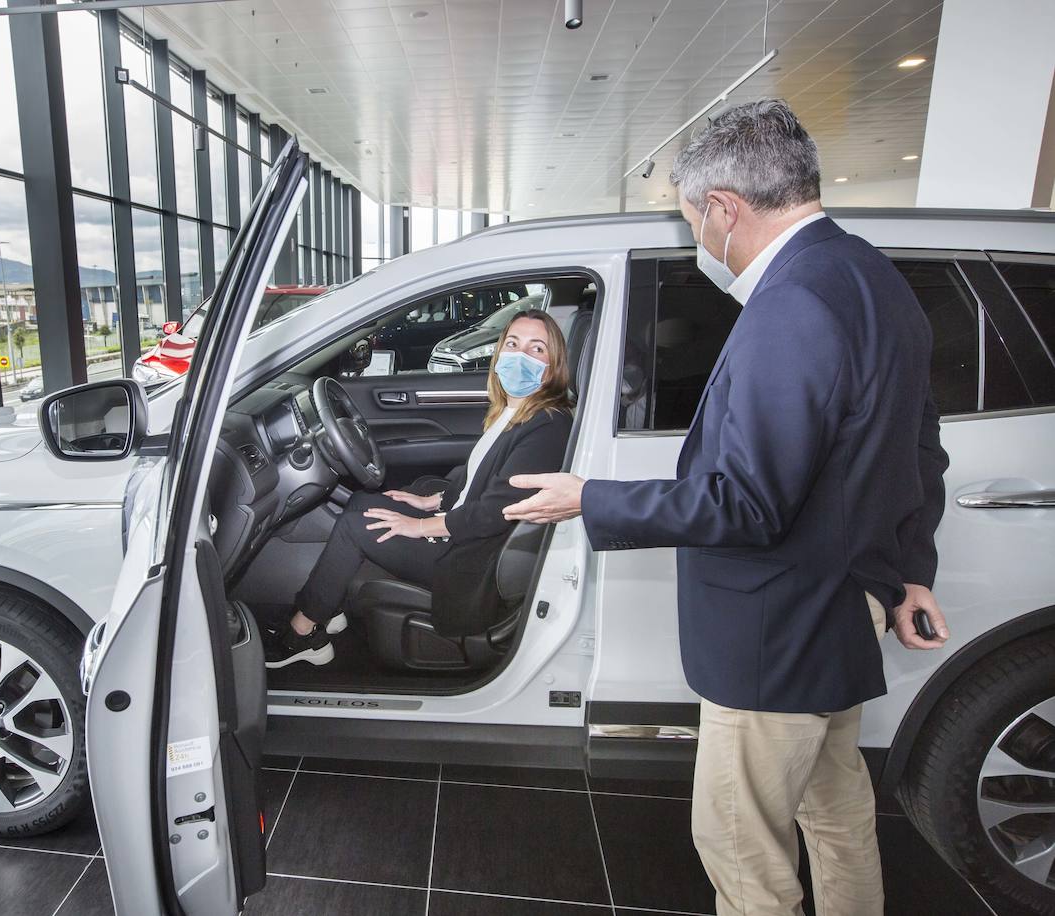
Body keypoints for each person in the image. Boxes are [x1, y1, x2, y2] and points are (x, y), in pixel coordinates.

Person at [502, 99, 952, 916]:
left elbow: (747, 505)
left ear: (722, 209)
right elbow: (917, 446)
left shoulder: (793, 304)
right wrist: (908, 571)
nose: (700, 241)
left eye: (692, 221)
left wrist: (590, 498)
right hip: (839, 611)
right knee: (837, 813)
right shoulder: (871, 276)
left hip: (777, 632)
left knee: (743, 850)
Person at [265, 309, 574, 668]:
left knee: (356, 526)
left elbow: (495, 512)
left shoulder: (548, 425)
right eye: (512, 344)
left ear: (553, 365)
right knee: (365, 502)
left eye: (537, 349)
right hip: (464, 531)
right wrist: (432, 500)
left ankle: (302, 635)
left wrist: (420, 525)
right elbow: (480, 479)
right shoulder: (514, 411)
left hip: (472, 561)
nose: (520, 356)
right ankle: (323, 607)